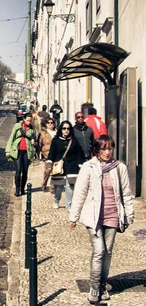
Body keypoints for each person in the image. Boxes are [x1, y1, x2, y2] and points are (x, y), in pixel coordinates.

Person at [69, 134, 134, 304]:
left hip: (113, 215)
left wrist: (129, 215)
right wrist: (74, 216)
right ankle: (94, 286)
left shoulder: (119, 167)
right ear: (97, 150)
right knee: (99, 250)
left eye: (110, 148)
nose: (107, 152)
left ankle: (103, 285)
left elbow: (126, 193)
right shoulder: (89, 167)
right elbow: (80, 193)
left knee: (108, 252)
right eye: (104, 148)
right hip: (93, 216)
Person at [48, 120, 86, 209]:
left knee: (70, 187)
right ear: (61, 129)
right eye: (64, 128)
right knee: (58, 188)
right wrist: (49, 164)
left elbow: (79, 154)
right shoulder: (56, 140)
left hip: (72, 167)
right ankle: (56, 200)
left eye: (68, 129)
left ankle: (69, 205)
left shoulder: (74, 141)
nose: (66, 130)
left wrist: (81, 164)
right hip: (59, 166)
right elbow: (51, 154)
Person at [6, 112, 37, 197]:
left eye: (30, 121)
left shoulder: (32, 128)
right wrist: (8, 150)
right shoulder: (17, 126)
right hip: (17, 151)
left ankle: (22, 189)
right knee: (18, 169)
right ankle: (17, 189)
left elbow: (35, 138)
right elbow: (11, 137)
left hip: (27, 151)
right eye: (27, 120)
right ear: (24, 119)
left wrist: (34, 141)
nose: (29, 122)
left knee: (25, 171)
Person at [38, 118, 57, 191]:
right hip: (47, 154)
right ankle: (44, 184)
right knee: (47, 170)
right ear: (46, 124)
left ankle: (52, 187)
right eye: (48, 123)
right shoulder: (43, 133)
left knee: (54, 171)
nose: (50, 124)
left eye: (52, 122)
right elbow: (40, 144)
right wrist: (39, 153)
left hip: (56, 154)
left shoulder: (57, 132)